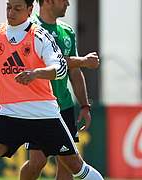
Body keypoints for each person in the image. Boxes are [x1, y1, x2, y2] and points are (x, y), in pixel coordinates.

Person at [0, 0, 104, 179]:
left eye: (17, 8)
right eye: (8, 7)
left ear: (29, 10)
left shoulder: (40, 35)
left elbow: (60, 68)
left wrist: (36, 73)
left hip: (43, 115)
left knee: (76, 167)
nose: (11, 12)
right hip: (10, 114)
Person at [20, 0, 100, 179]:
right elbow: (50, 62)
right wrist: (83, 60)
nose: (68, 4)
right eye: (63, 0)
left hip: (63, 107)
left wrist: (85, 105)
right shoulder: (30, 28)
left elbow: (74, 72)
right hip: (39, 107)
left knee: (67, 164)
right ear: (48, 1)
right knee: (38, 161)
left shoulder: (67, 32)